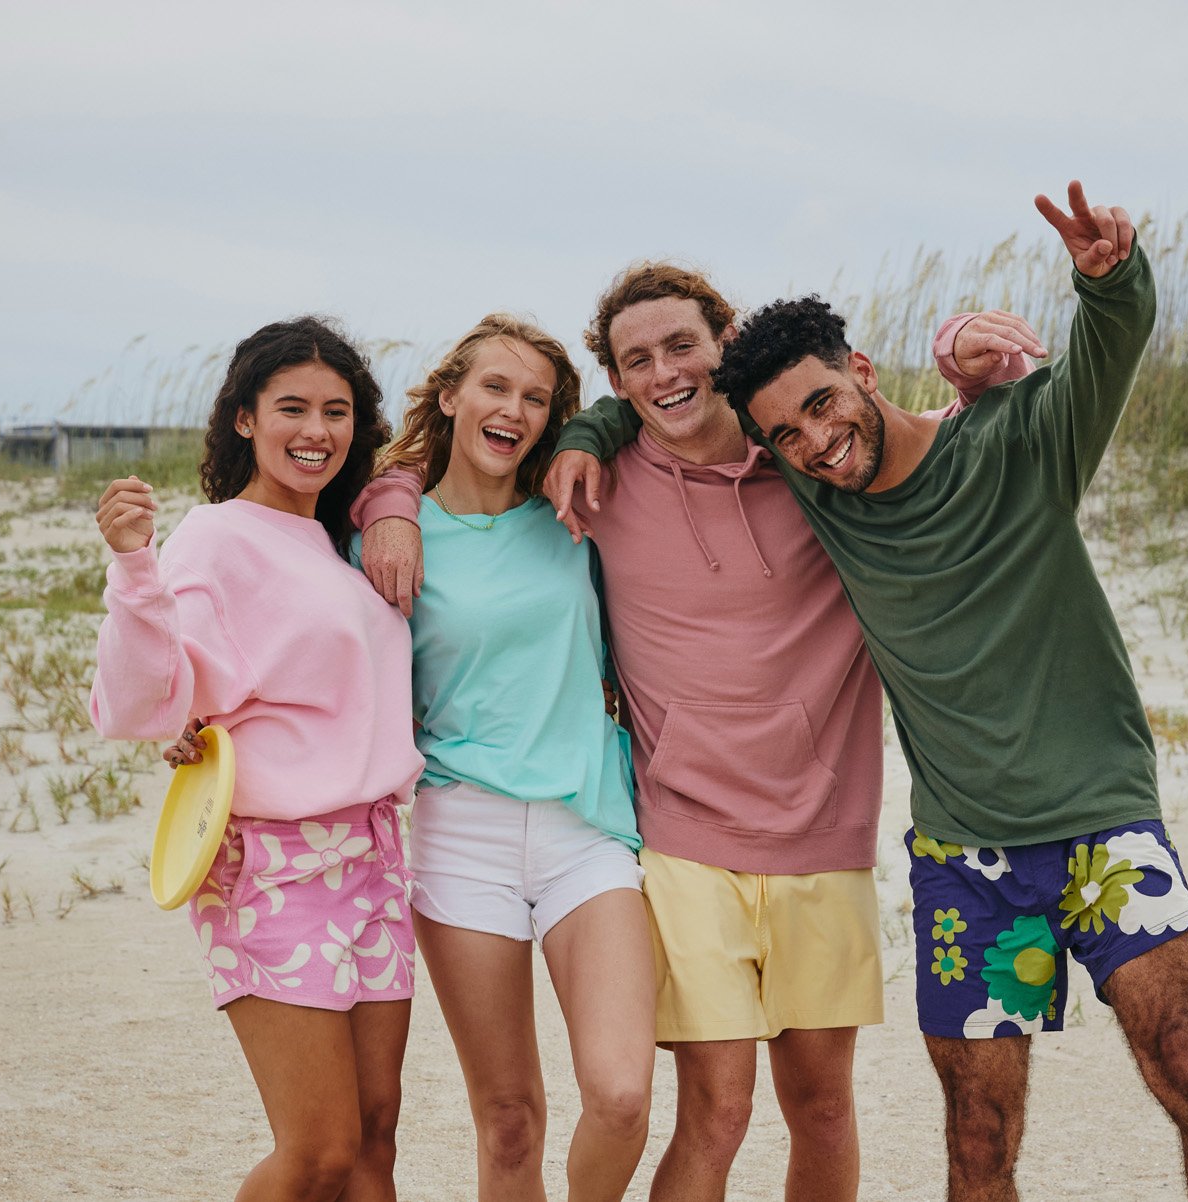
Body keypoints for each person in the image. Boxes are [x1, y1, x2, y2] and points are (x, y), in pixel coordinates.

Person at [352, 268, 1044, 1202]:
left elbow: (917, 446)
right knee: (678, 1112)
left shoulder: (802, 459)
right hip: (657, 839)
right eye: (635, 361)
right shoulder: (591, 488)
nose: (664, 372)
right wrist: (389, 498)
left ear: (726, 340)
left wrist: (964, 361)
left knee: (804, 1108)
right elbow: (363, 531)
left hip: (767, 833)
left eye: (682, 346)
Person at [685, 181, 1188, 1202]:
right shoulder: (821, 496)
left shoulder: (1017, 443)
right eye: (786, 433)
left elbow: (1107, 348)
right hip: (968, 857)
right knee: (975, 1139)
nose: (818, 441)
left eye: (823, 402)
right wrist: (580, 436)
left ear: (862, 372)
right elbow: (654, 416)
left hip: (1103, 823)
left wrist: (1106, 277)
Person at [90, 316, 423, 1202]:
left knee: (374, 1140)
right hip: (273, 863)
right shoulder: (215, 536)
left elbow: (443, 447)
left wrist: (390, 501)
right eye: (292, 408)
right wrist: (133, 567)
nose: (316, 431)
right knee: (315, 1152)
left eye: (337, 411)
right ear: (244, 418)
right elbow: (143, 700)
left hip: (375, 857)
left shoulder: (338, 541)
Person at [363, 313, 653, 1202]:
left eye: (536, 398)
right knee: (511, 1119)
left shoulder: (580, 515)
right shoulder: (381, 538)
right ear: (449, 395)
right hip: (461, 834)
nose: (514, 410)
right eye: (495, 387)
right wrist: (390, 504)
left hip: (588, 828)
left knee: (620, 1094)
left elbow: (653, 416)